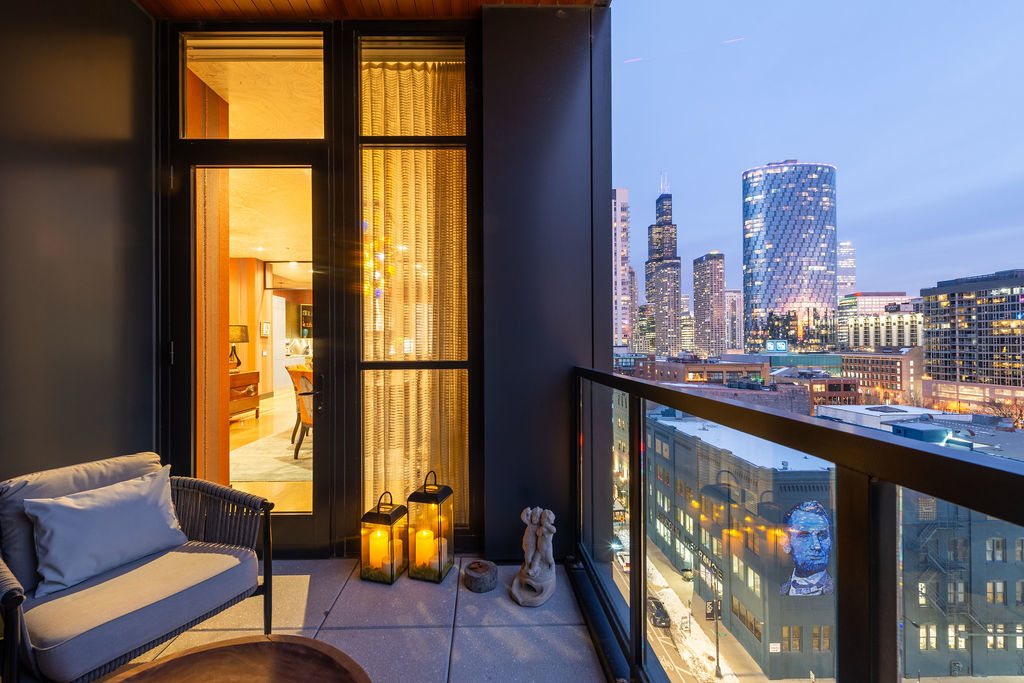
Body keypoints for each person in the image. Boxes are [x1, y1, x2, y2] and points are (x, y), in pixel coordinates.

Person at [779, 500, 834, 596]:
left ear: (831, 541)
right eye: (804, 536)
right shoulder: (780, 591)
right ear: (786, 543)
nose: (816, 546)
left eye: (822, 536)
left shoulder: (840, 590)